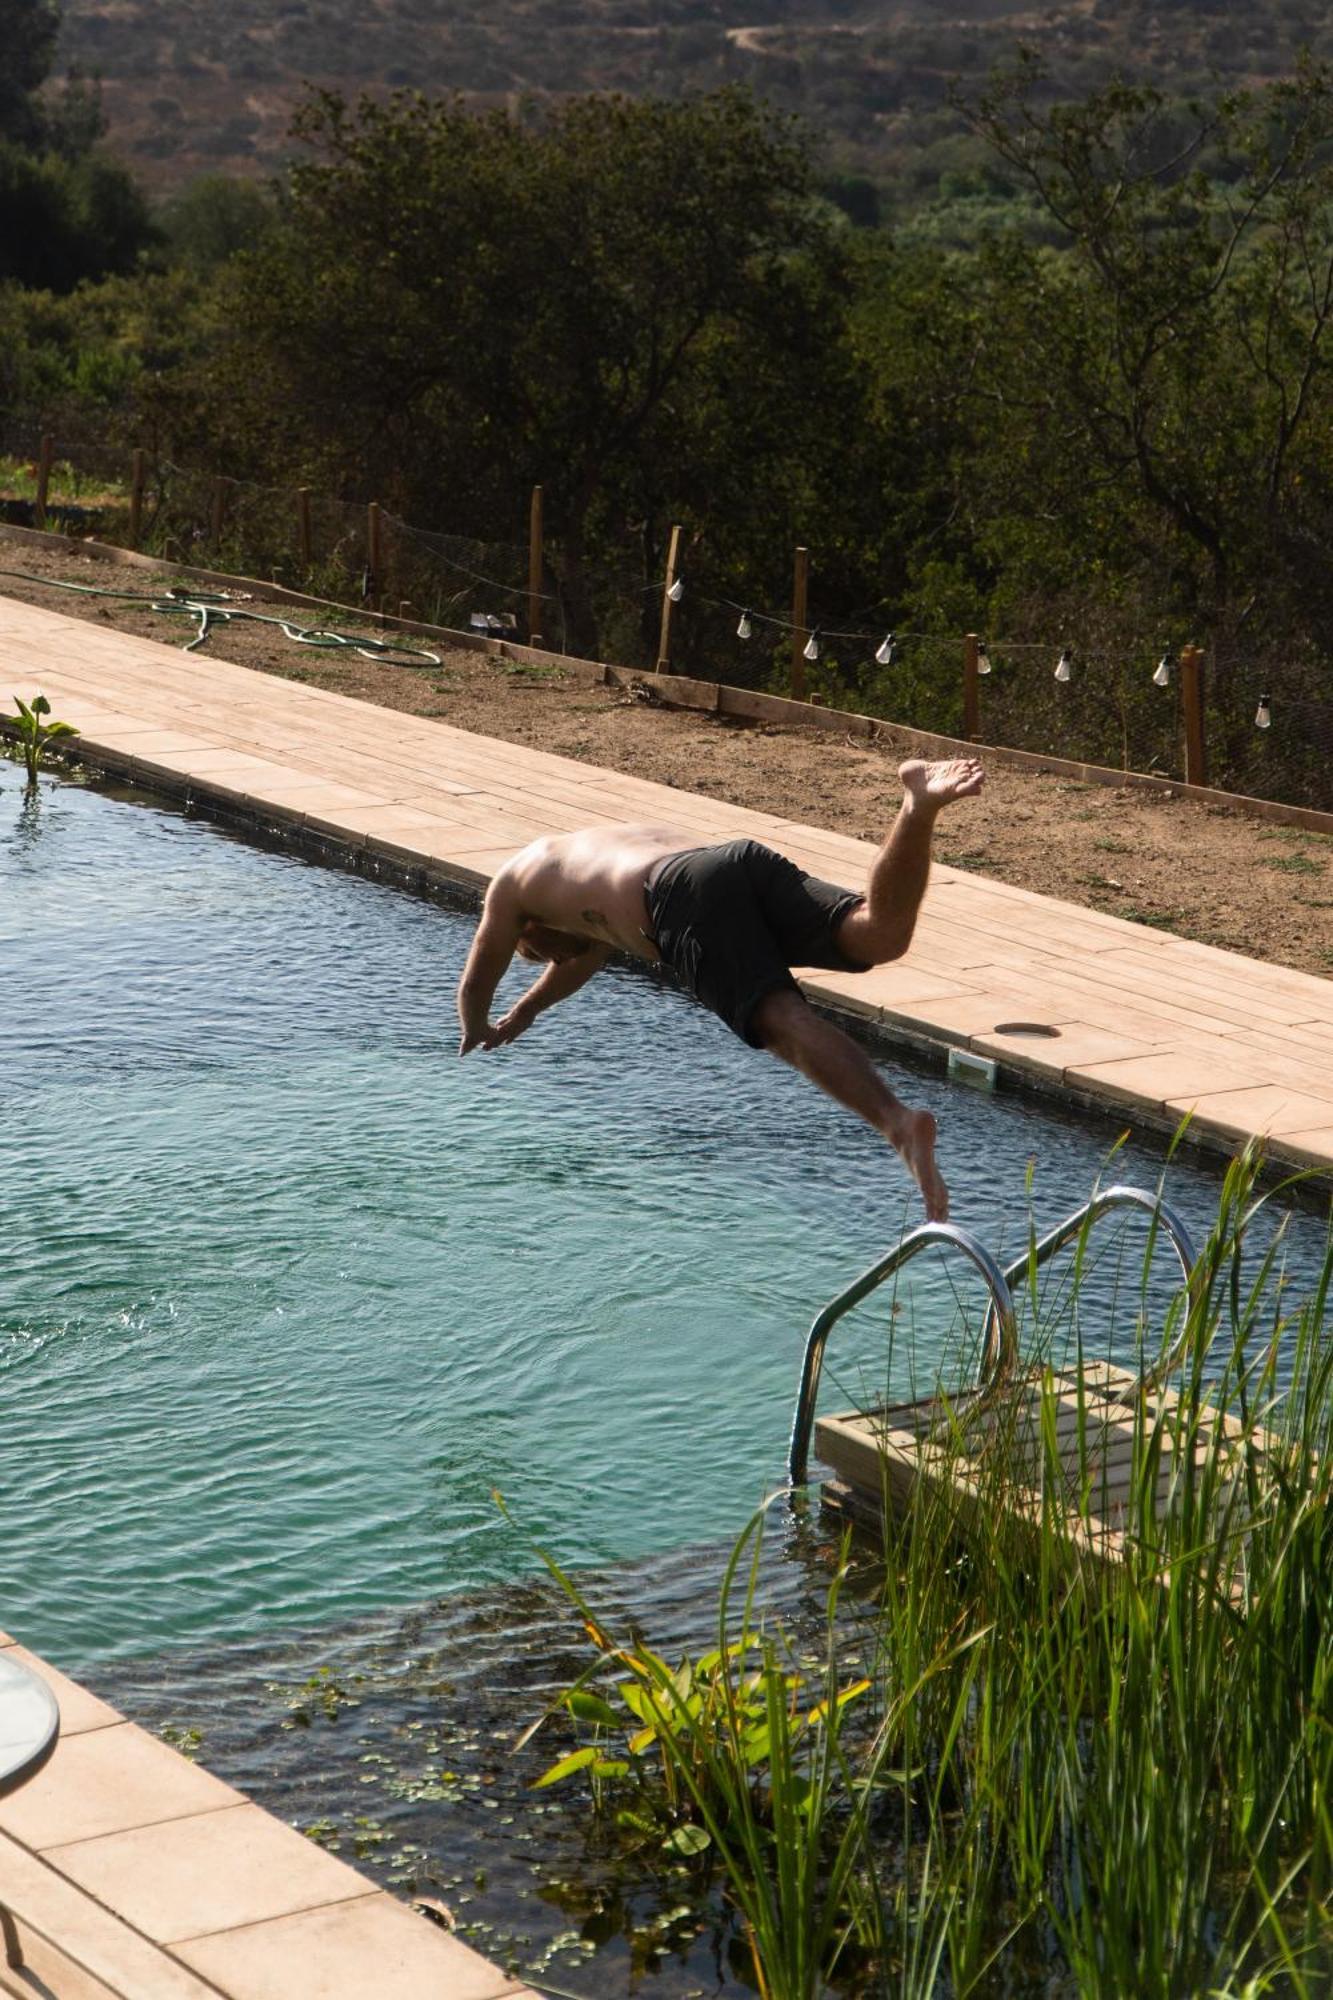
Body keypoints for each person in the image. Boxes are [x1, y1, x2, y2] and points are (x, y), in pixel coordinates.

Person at [456, 757, 984, 1220]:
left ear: (527, 931)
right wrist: (527, 1010)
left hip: (678, 896)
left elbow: (483, 961)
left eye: (545, 953)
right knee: (877, 934)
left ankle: (898, 1124)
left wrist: (474, 1022)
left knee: (780, 1021)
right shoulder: (574, 867)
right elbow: (584, 957)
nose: (563, 956)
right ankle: (917, 806)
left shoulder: (511, 886)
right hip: (729, 861)